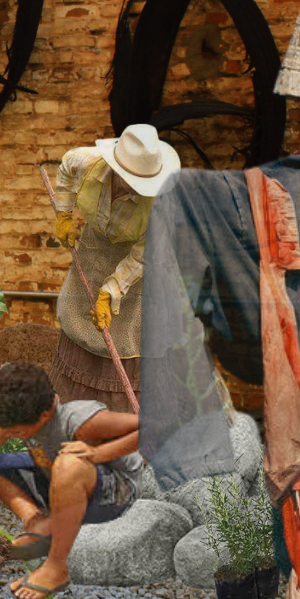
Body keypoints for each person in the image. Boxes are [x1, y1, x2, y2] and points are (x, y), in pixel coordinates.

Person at [0, 362, 143, 599]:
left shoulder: (81, 420)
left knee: (68, 463)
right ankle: (38, 524)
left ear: (45, 415)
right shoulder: (18, 414)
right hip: (59, 479)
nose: (9, 434)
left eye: (17, 433)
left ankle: (56, 567)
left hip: (114, 493)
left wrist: (98, 454)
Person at [48, 124, 180, 414]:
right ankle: (72, 417)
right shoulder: (89, 161)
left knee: (126, 337)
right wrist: (64, 213)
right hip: (93, 250)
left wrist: (111, 291)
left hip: (136, 274)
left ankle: (125, 425)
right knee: (80, 323)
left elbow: (142, 257)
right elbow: (67, 166)